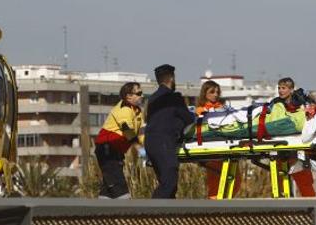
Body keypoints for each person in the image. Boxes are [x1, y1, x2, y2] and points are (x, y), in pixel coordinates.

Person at [144, 64, 193, 198]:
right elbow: (188, 118)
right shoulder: (174, 98)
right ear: (171, 78)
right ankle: (150, 213)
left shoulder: (153, 99)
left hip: (150, 142)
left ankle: (166, 216)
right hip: (163, 142)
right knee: (170, 182)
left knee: (167, 184)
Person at [94, 82, 145, 199]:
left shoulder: (137, 111)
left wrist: (147, 148)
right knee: (119, 187)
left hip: (116, 151)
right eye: (139, 93)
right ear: (128, 96)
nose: (142, 96)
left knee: (107, 190)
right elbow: (127, 129)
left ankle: (99, 215)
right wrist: (139, 148)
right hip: (107, 149)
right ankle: (128, 215)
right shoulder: (123, 109)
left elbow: (141, 132)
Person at [269, 77, 316, 197]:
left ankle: (312, 204)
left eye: (283, 88)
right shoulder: (275, 103)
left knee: (304, 181)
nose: (280, 91)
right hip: (281, 146)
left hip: (298, 146)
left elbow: (311, 112)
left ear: (291, 89)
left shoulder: (301, 100)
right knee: (279, 183)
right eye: (279, 88)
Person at [195, 80, 241, 199]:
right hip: (213, 153)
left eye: (217, 92)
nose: (215, 94)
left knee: (236, 182)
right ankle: (212, 212)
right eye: (212, 92)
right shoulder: (200, 110)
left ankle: (225, 208)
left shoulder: (223, 108)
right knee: (215, 187)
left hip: (228, 149)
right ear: (205, 93)